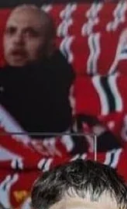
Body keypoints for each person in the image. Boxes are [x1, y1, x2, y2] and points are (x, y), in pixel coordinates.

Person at [0, 5, 73, 135]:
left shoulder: (56, 82)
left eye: (30, 34)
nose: (17, 40)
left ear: (50, 46)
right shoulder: (7, 75)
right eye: (11, 31)